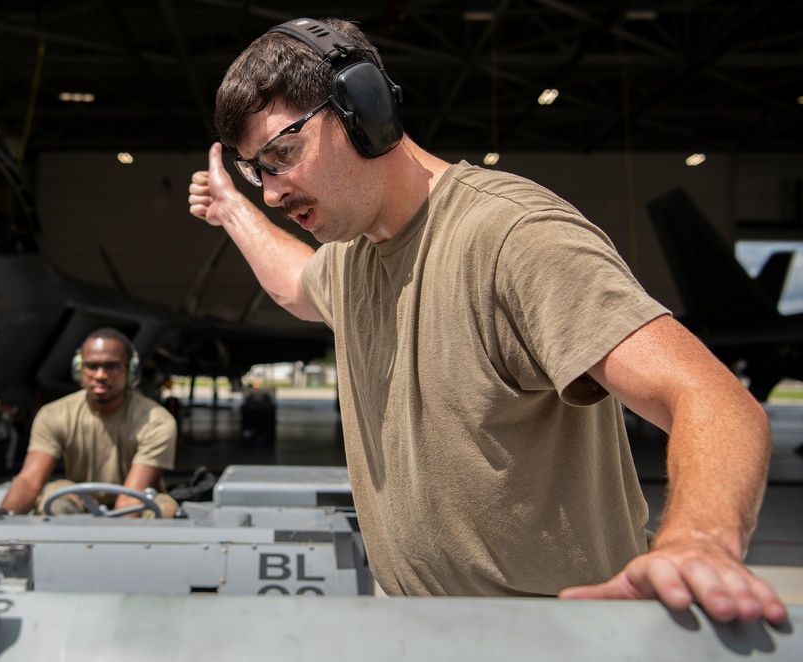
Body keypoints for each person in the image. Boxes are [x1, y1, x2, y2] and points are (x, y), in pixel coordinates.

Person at [188, 17, 787, 624]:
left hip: (557, 635)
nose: (270, 191)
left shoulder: (512, 239)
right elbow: (296, 284)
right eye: (253, 170)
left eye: (282, 154)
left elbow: (711, 399)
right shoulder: (353, 256)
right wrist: (231, 210)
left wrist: (697, 542)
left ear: (363, 108)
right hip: (424, 629)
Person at [0, 328, 179, 517]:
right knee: (57, 499)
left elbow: (131, 499)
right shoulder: (54, 415)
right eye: (91, 366)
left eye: (112, 366)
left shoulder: (156, 421)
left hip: (136, 503)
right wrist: (1, 522)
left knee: (165, 510)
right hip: (81, 503)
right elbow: (30, 481)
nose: (100, 375)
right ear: (79, 369)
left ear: (130, 370)